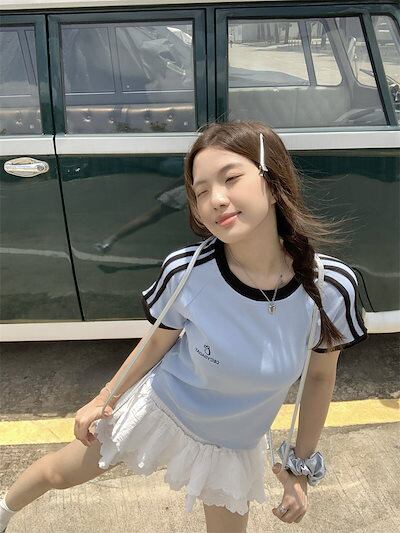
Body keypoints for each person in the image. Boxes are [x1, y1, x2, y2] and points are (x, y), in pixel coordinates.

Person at [0, 120, 368, 532]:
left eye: (231, 178)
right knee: (58, 473)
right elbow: (156, 343)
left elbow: (319, 378)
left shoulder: (330, 288)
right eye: (201, 191)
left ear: (272, 181)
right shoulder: (188, 271)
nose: (216, 200)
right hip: (162, 408)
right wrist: (104, 398)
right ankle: (4, 509)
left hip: (232, 446)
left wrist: (300, 470)